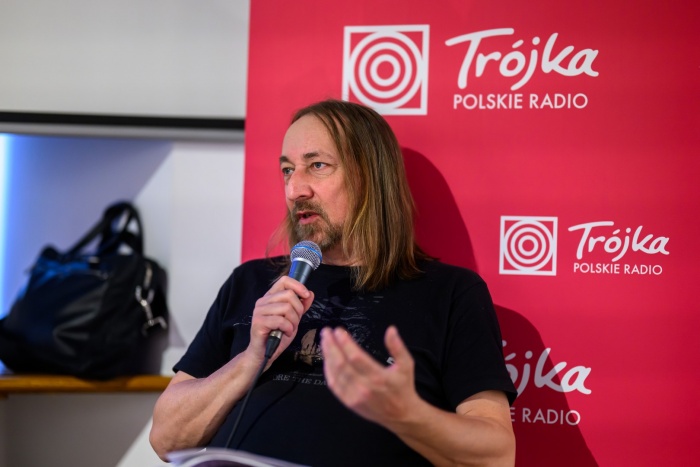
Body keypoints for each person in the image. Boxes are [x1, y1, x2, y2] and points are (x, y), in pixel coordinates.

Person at [150, 99, 517, 466]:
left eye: (317, 166)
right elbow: (166, 439)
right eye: (288, 170)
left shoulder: (450, 293)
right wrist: (249, 361)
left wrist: (407, 415)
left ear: (370, 176)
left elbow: (496, 456)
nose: (295, 189)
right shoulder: (251, 281)